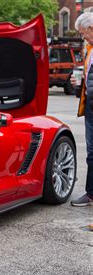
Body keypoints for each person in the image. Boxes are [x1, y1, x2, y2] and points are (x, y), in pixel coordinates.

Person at [71, 12, 93, 207]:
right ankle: (91, 193)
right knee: (91, 152)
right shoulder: (88, 48)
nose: (82, 36)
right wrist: (78, 85)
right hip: (90, 108)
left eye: (83, 32)